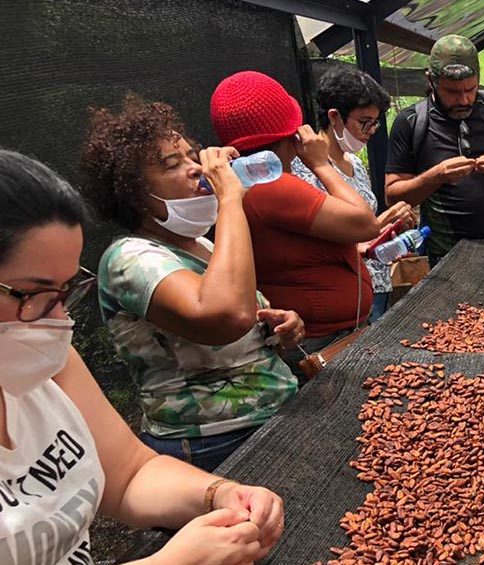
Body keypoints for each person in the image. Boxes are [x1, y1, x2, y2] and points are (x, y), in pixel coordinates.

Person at [1, 148, 283, 564]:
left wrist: (219, 493)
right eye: (34, 295)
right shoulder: (133, 256)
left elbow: (130, 473)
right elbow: (224, 314)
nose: (58, 321)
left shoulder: (46, 366)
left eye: (64, 293)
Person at [79, 95, 299, 471]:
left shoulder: (204, 246)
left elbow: (243, 318)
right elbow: (224, 316)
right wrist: (230, 198)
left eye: (191, 156)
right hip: (213, 444)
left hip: (271, 416)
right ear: (135, 195)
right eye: (172, 164)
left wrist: (278, 328)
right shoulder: (128, 259)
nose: (196, 168)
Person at [209, 70, 382, 373]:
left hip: (321, 333)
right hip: (320, 342)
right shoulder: (271, 186)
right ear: (290, 134)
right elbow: (364, 223)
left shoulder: (241, 182)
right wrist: (320, 163)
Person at [385, 35, 484, 264]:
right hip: (448, 256)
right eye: (452, 92)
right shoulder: (411, 121)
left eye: (470, 89)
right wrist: (437, 175)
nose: (463, 99)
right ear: (431, 81)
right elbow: (393, 195)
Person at [291, 67, 417, 323]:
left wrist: (389, 232)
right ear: (335, 117)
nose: (371, 131)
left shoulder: (355, 163)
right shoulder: (303, 167)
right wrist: (378, 224)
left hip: (376, 284)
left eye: (375, 123)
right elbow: (323, 239)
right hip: (340, 292)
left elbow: (366, 231)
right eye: (364, 122)